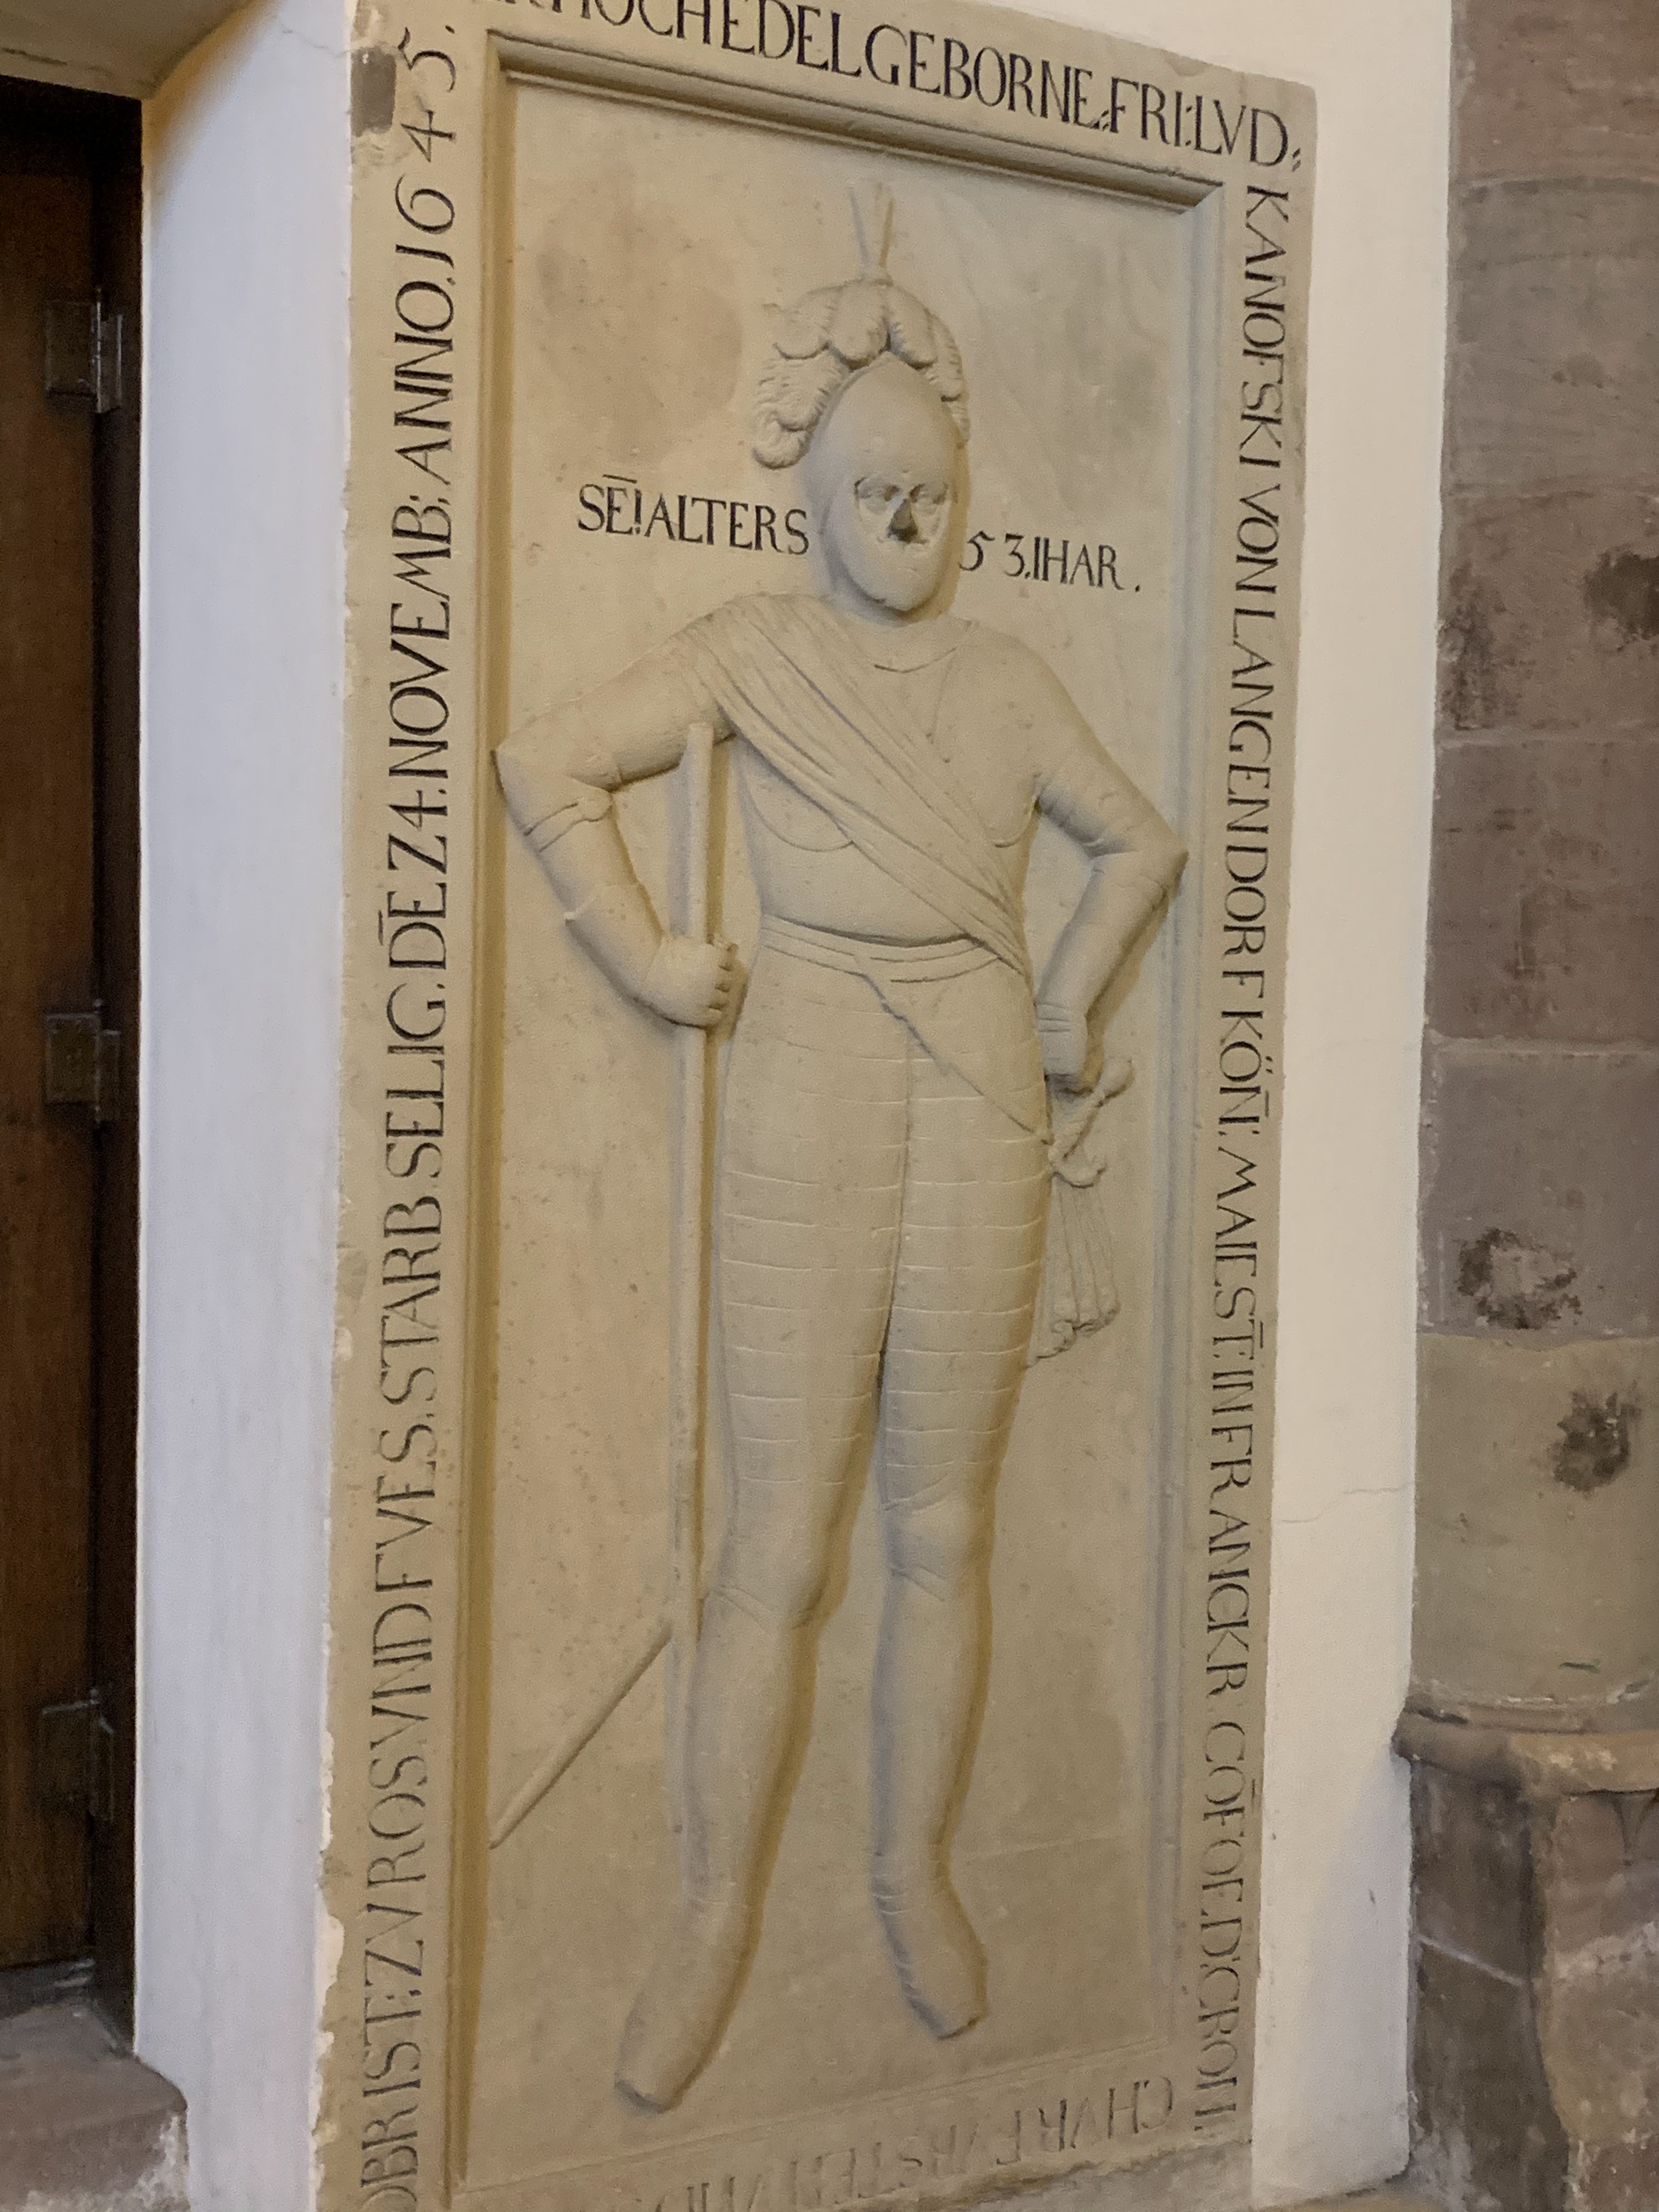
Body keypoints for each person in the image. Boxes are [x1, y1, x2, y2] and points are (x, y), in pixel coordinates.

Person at [495, 203, 1185, 2113]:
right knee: (780, 1543)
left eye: (932, 497)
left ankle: (911, 1872)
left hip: (978, 1083)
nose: (906, 523)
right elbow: (548, 761)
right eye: (875, 493)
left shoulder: (1011, 679)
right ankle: (712, 1913)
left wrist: (1066, 997)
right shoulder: (755, 651)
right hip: (804, 1070)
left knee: (942, 1526)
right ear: (815, 501)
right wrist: (647, 953)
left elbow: (1138, 843)